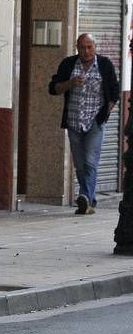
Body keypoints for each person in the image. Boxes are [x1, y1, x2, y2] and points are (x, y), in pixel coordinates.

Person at [48, 33, 119, 215]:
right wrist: (70, 83)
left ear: (95, 47)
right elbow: (53, 89)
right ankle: (89, 200)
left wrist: (106, 112)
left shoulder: (104, 65)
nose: (86, 51)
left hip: (95, 120)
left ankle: (84, 195)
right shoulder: (68, 64)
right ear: (77, 47)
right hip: (74, 121)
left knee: (90, 161)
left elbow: (114, 92)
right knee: (80, 164)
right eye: (82, 47)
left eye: (89, 47)